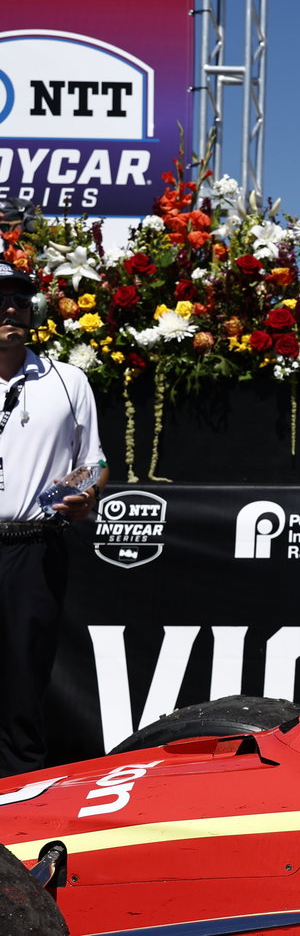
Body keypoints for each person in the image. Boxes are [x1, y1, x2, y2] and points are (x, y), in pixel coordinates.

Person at [0, 260, 105, 776]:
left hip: (33, 548)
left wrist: (85, 495)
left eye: (20, 299)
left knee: (22, 685)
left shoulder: (67, 380)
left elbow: (95, 462)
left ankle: (14, 822)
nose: (11, 309)